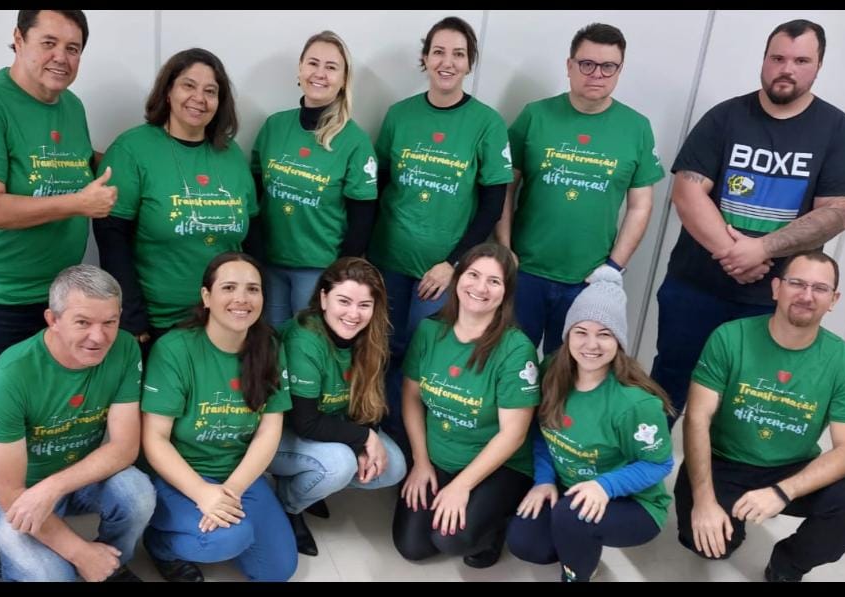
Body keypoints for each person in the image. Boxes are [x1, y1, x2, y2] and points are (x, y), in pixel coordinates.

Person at [0, 9, 116, 527]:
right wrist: (79, 204)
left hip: (54, 295)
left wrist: (131, 160)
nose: (61, 57)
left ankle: (36, 498)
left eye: (73, 48)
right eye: (48, 42)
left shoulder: (71, 106)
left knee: (47, 407)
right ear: (17, 39)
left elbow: (74, 162)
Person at [652, 19, 845, 424]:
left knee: (748, 400)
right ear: (765, 60)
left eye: (801, 61)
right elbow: (686, 192)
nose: (786, 69)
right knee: (669, 381)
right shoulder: (725, 118)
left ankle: (722, 464)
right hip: (695, 286)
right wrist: (735, 254)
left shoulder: (838, 131)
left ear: (818, 66)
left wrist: (763, 248)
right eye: (777, 58)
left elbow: (840, 211)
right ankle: (646, 457)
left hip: (775, 297)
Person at [674, 251, 845, 582]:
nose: (806, 296)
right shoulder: (730, 337)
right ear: (776, 288)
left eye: (820, 288)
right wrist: (704, 501)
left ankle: (786, 565)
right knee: (709, 546)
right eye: (796, 283)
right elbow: (697, 418)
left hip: (792, 465)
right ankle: (730, 514)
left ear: (833, 300)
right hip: (724, 461)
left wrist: (783, 491)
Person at [368, 16, 514, 440]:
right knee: (381, 349)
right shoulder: (399, 115)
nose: (447, 62)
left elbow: (492, 204)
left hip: (442, 270)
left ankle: (406, 441)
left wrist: (453, 264)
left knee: (421, 355)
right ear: (425, 59)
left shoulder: (487, 123)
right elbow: (378, 186)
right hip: (389, 260)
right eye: (438, 52)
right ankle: (375, 435)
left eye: (458, 54)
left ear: (469, 63)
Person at [0, 265, 154, 582]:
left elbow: (125, 448)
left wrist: (53, 487)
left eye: (110, 322)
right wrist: (79, 552)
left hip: (72, 471)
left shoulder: (125, 348)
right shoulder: (10, 374)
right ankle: (10, 545)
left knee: (138, 495)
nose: (99, 337)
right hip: (13, 486)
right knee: (51, 576)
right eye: (83, 322)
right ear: (53, 320)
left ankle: (109, 566)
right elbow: (9, 489)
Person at [496, 23, 664, 356]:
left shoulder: (637, 128)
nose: (597, 74)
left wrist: (613, 267)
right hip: (525, 271)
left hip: (589, 279)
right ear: (570, 65)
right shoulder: (535, 116)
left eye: (608, 66)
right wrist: (505, 248)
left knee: (568, 371)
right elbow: (504, 188)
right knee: (511, 362)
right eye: (587, 64)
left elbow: (641, 206)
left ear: (619, 71)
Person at [507, 267, 674, 582]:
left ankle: (578, 573)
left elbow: (659, 463)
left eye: (605, 334)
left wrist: (604, 486)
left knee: (571, 516)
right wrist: (544, 480)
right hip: (570, 486)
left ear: (619, 340)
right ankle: (579, 538)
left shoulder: (635, 403)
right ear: (568, 334)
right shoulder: (551, 373)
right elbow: (542, 433)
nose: (591, 344)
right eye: (581, 332)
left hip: (632, 500)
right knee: (527, 543)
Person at [141, 252, 296, 582]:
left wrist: (232, 491)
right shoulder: (174, 349)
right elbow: (154, 439)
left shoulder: (269, 346)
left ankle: (223, 526)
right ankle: (161, 545)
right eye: (228, 287)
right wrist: (202, 493)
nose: (242, 299)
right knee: (227, 538)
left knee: (278, 571)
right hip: (179, 474)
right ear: (206, 296)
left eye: (253, 289)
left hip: (236, 473)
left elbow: (269, 429)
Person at [95, 48, 256, 355]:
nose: (199, 98)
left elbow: (253, 237)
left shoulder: (232, 154)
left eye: (211, 91)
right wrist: (131, 315)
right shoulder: (132, 149)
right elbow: (111, 237)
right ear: (168, 91)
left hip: (226, 320)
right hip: (158, 324)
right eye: (188, 85)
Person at [393, 243, 538, 569]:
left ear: (506, 292)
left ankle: (497, 525)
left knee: (451, 539)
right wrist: (420, 462)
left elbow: (513, 434)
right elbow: (411, 397)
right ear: (457, 279)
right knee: (412, 546)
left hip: (499, 466)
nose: (480, 288)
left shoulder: (516, 350)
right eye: (473, 275)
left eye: (494, 281)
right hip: (440, 457)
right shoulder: (429, 331)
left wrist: (462, 486)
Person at [268, 257, 407, 556]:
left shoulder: (371, 337)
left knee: (393, 467)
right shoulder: (305, 339)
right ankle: (287, 506)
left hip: (330, 424)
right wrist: (364, 438)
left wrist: (365, 435)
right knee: (339, 465)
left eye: (364, 305)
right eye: (343, 301)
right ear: (323, 298)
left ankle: (306, 480)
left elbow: (367, 403)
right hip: (281, 435)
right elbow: (305, 422)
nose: (354, 314)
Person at [251, 31, 379, 328]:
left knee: (308, 343)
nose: (320, 73)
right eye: (313, 63)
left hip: (320, 269)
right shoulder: (274, 126)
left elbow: (362, 219)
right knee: (271, 341)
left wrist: (339, 276)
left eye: (331, 67)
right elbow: (254, 196)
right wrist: (256, 257)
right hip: (270, 264)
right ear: (300, 69)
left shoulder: (355, 141)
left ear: (343, 79)